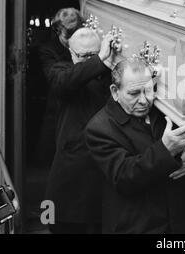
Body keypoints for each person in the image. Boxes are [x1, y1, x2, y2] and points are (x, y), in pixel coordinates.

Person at [85, 59, 185, 234]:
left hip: (178, 223)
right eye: (134, 93)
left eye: (148, 90)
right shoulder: (99, 128)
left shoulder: (163, 110)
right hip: (137, 226)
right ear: (115, 92)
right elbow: (124, 176)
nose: (144, 100)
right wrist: (166, 149)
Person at [45, 28, 120, 234]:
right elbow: (65, 83)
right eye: (82, 56)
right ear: (71, 53)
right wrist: (99, 60)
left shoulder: (110, 76)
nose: (88, 59)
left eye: (92, 55)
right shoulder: (61, 70)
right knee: (56, 221)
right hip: (71, 168)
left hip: (103, 167)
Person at [36, 8, 84, 166]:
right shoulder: (47, 49)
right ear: (57, 30)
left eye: (76, 33)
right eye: (68, 35)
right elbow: (59, 80)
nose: (72, 39)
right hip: (57, 106)